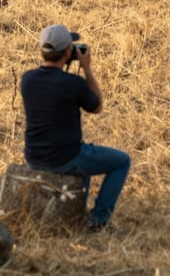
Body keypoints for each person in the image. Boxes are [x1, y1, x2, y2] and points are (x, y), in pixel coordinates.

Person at [20, 24, 130, 233]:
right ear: (68, 52)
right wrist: (87, 68)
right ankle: (99, 221)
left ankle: (77, 214)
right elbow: (97, 106)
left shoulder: (27, 79)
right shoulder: (72, 83)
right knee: (121, 161)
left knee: (84, 161)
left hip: (33, 158)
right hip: (64, 158)